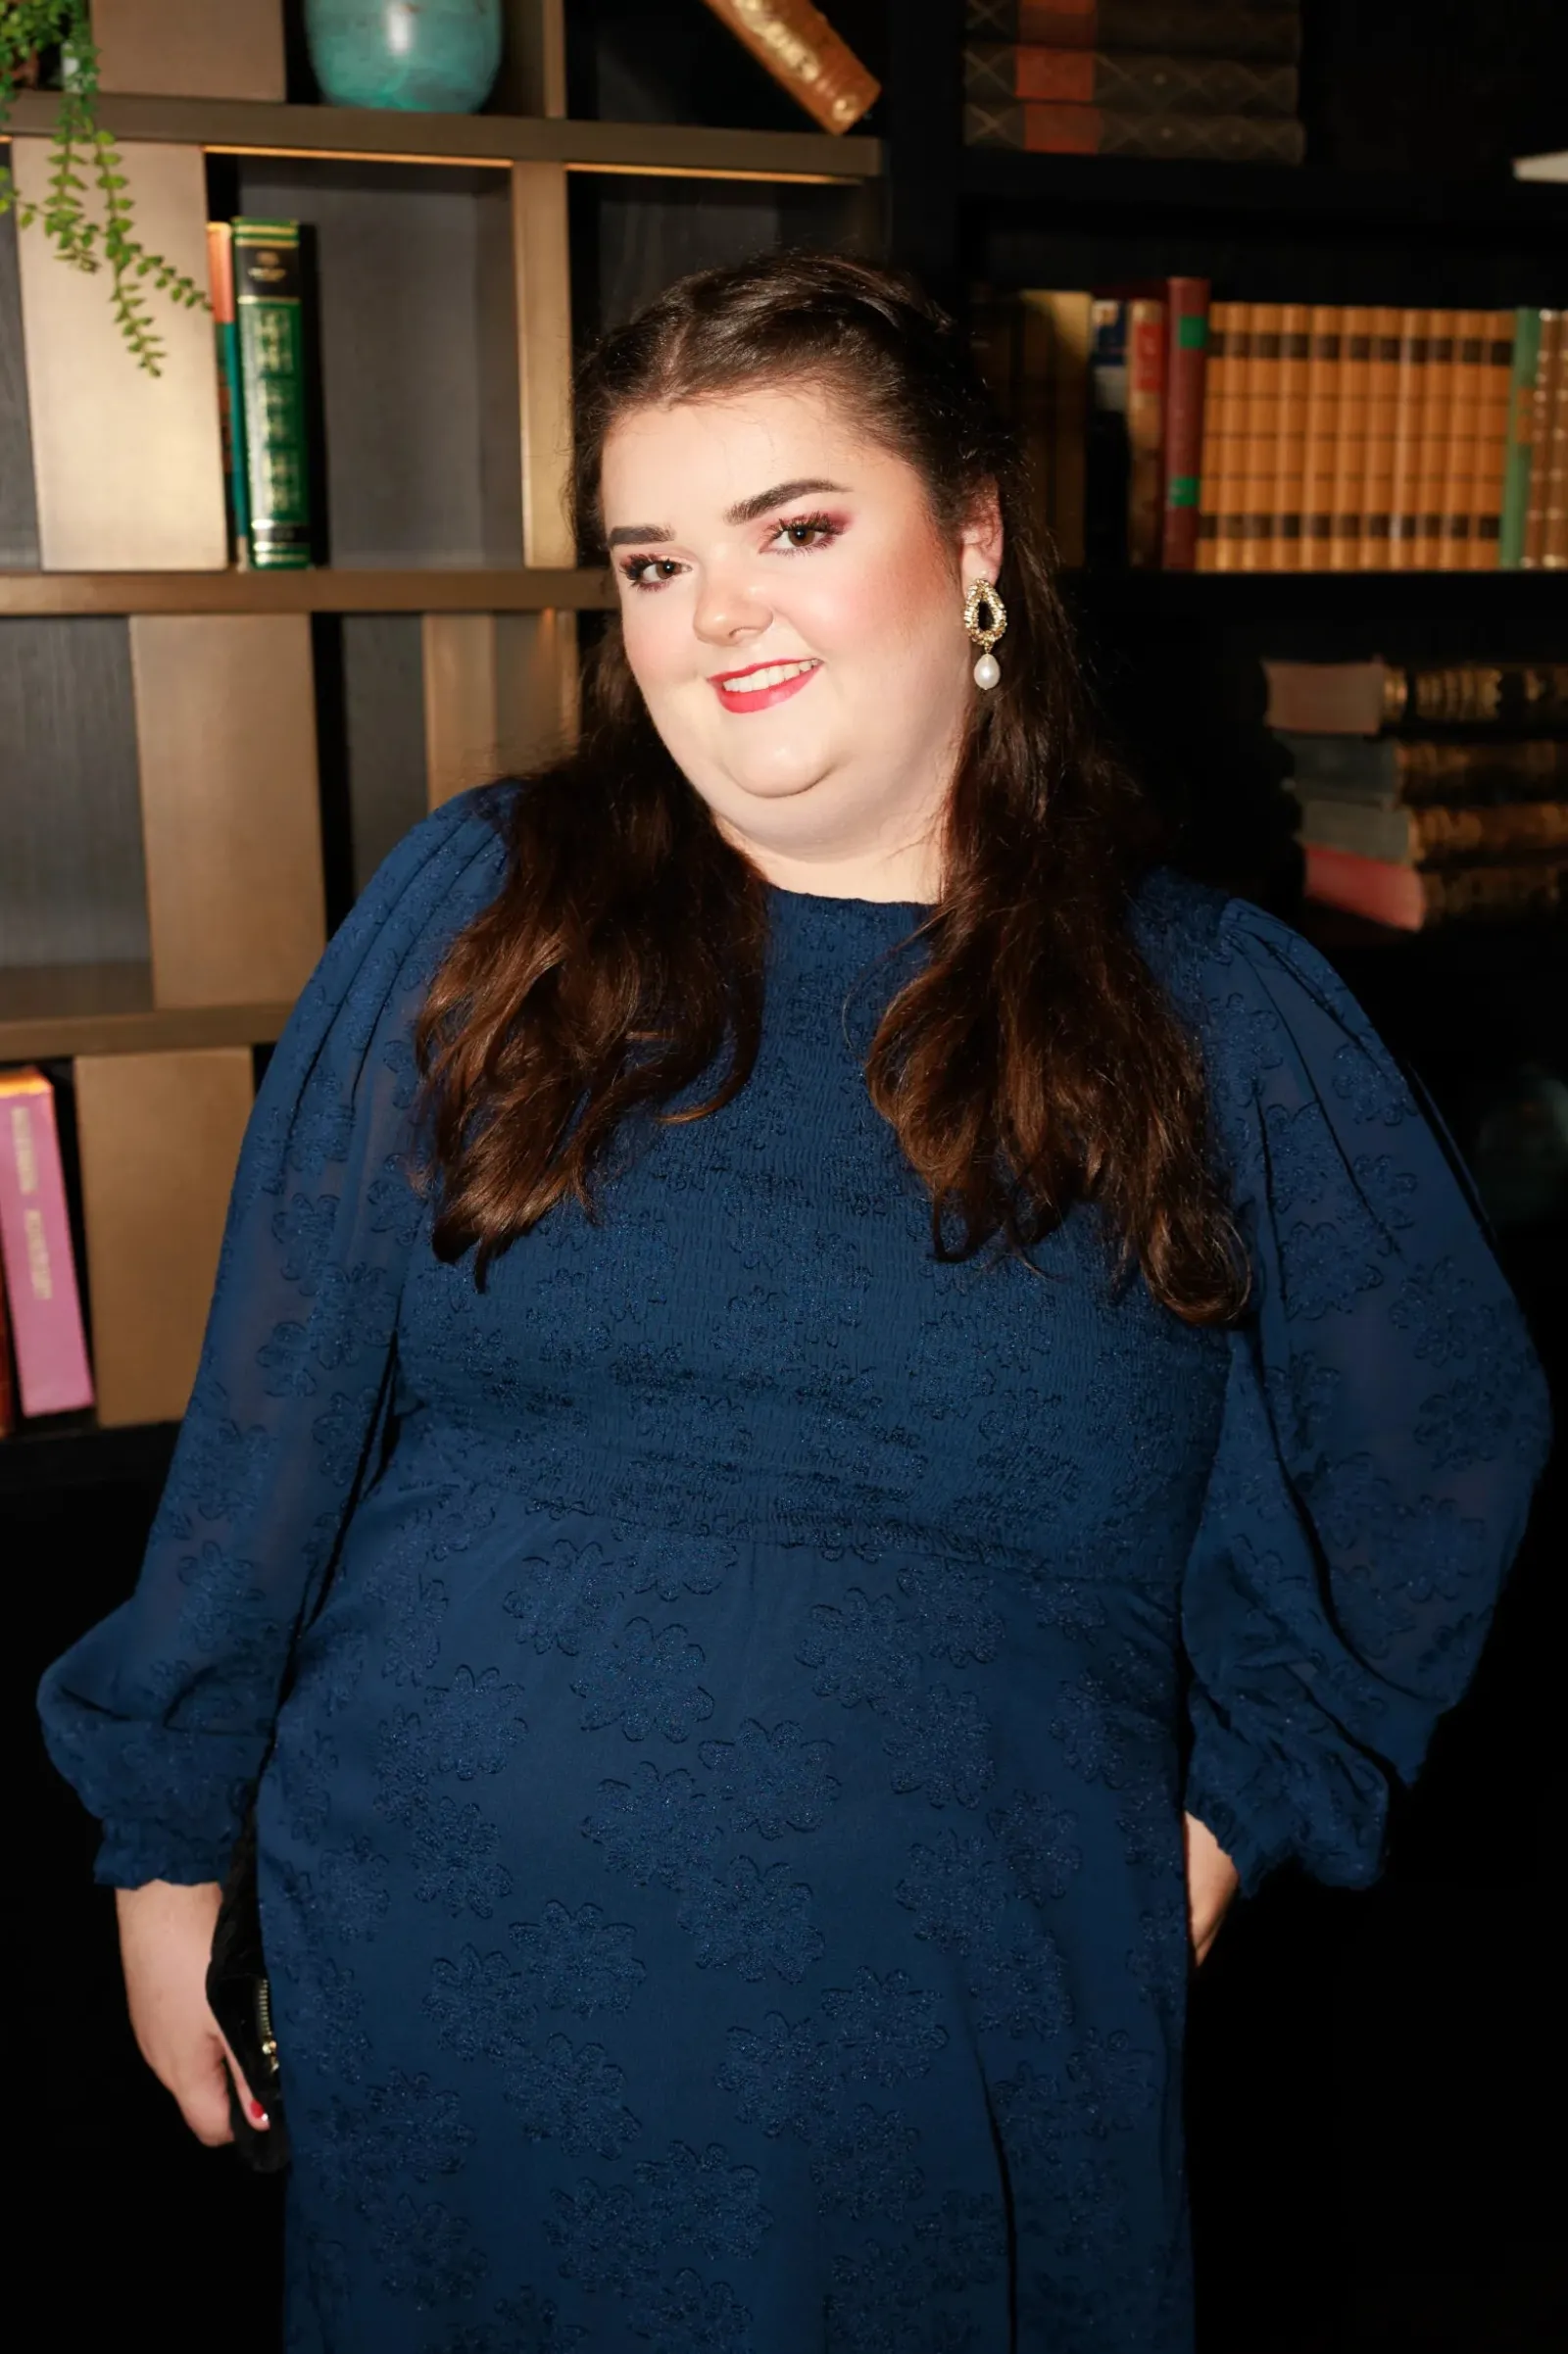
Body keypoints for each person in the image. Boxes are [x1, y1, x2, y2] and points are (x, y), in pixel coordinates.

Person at [39, 251, 1549, 2354]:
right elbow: (270, 1410)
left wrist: (1218, 1832)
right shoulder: (486, 908)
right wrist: (164, 1841)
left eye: (796, 529)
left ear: (976, 540)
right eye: (653, 562)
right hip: (439, 1971)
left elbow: (1438, 1453)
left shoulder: (1208, 1010)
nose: (714, 615)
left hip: (946, 2036)